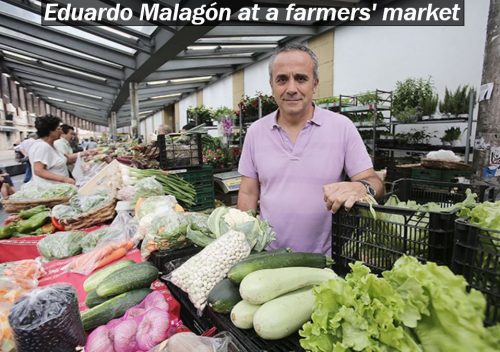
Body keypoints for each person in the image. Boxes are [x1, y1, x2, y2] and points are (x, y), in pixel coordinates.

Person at [237, 43, 384, 255]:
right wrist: (244, 244)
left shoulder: (341, 127)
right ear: (272, 85)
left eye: (301, 78)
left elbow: (375, 182)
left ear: (314, 84)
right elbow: (248, 192)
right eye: (282, 79)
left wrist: (363, 188)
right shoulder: (256, 132)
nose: (291, 88)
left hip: (326, 260)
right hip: (268, 258)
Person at [29, 115, 75, 185]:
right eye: (58, 129)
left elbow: (66, 158)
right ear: (50, 131)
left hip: (60, 187)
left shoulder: (52, 145)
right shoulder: (42, 146)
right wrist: (64, 179)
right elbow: (38, 170)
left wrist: (84, 153)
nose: (61, 132)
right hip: (51, 188)